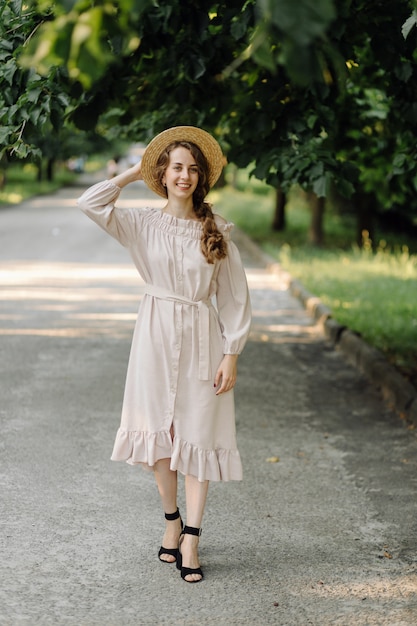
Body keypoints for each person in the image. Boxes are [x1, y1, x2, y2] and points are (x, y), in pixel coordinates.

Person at [77, 126, 251, 583]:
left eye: (193, 169)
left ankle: (192, 535)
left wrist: (230, 353)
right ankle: (171, 519)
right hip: (153, 335)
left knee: (198, 433)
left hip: (201, 337)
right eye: (176, 167)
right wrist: (134, 173)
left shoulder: (218, 231)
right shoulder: (141, 224)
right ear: (164, 173)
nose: (185, 176)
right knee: (158, 432)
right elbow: (90, 203)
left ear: (202, 178)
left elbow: (235, 299)